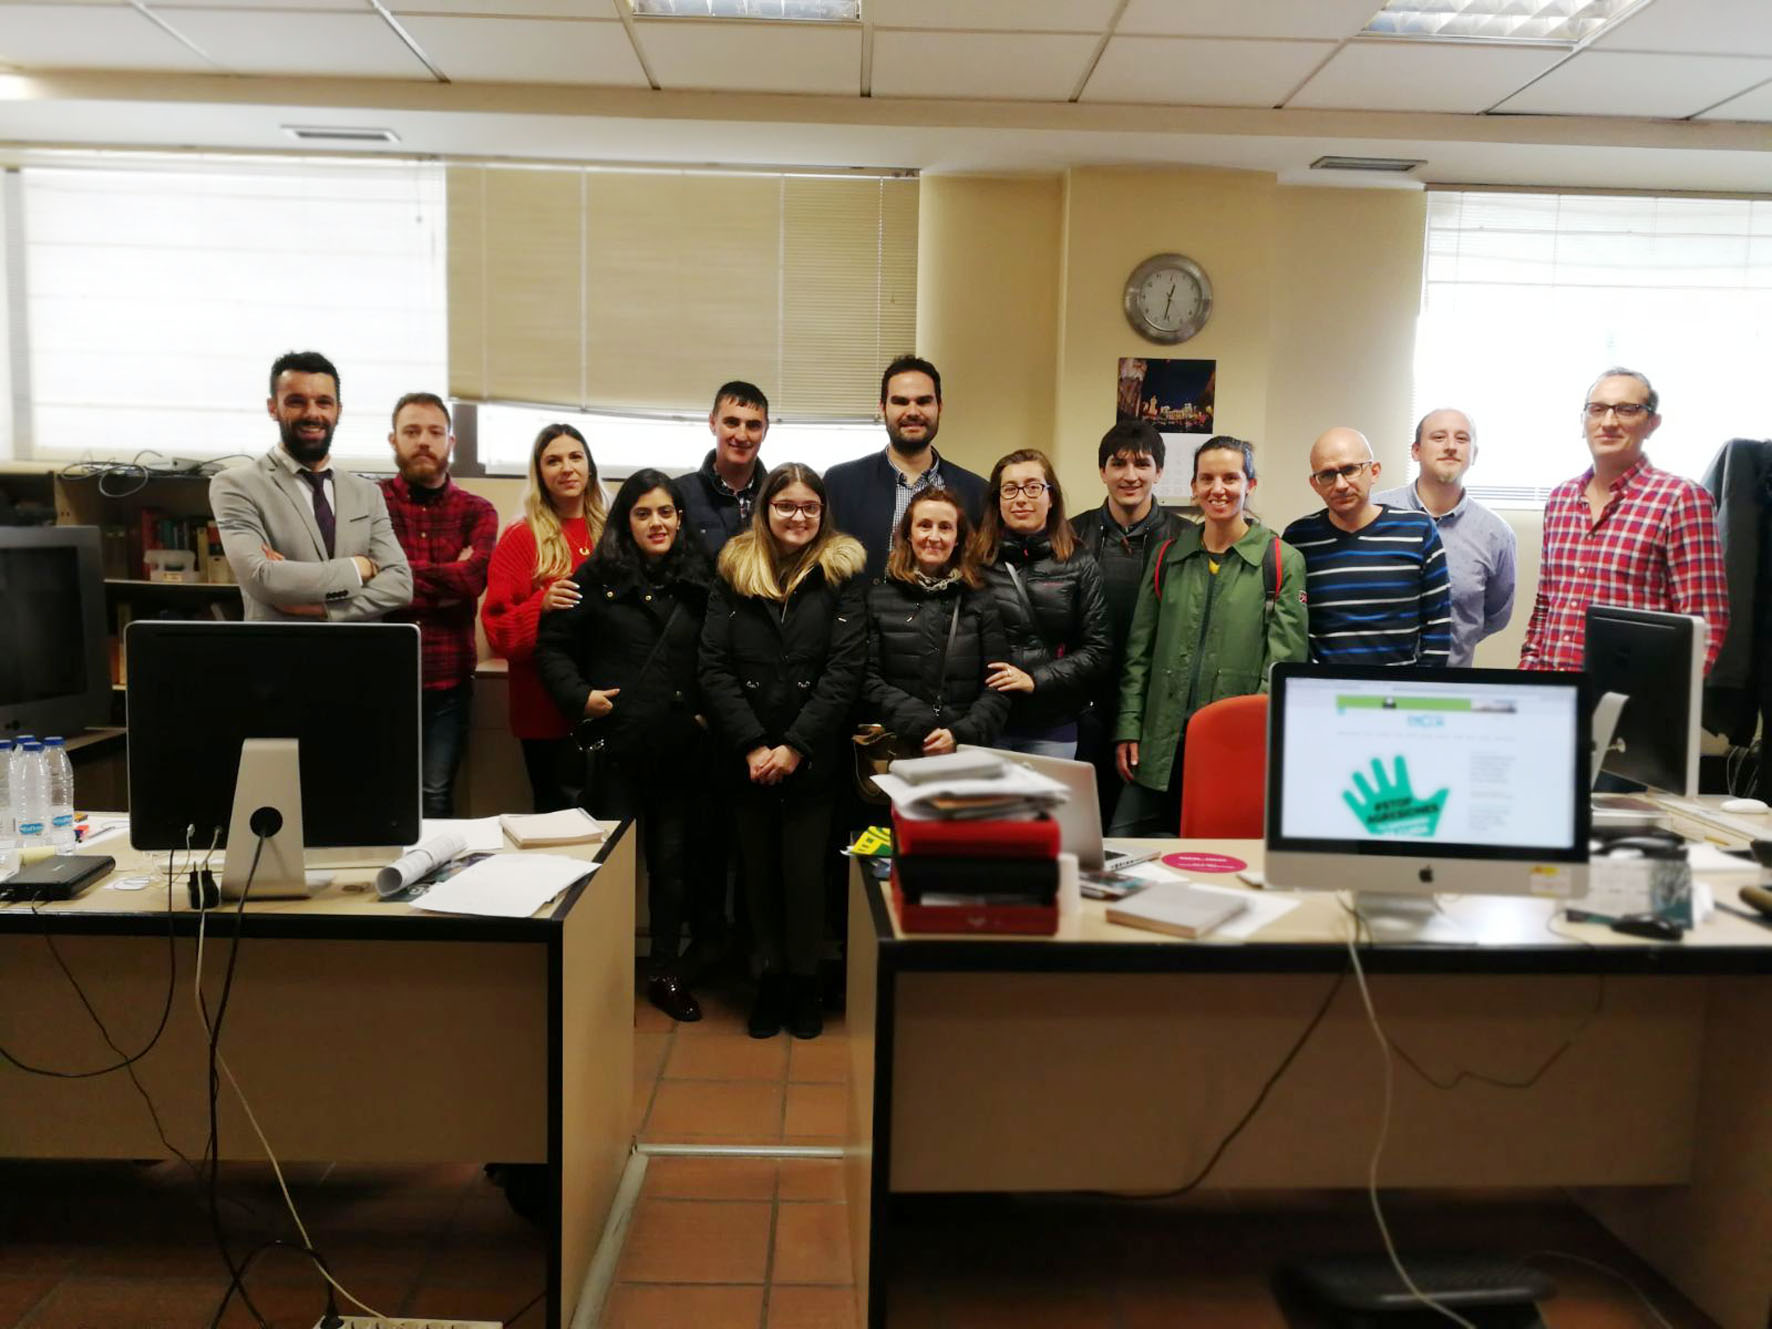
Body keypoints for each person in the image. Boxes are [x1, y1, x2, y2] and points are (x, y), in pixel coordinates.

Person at [533, 470, 716, 1024]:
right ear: (625, 521)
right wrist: (579, 696)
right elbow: (553, 649)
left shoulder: (703, 580)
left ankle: (665, 972)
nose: (656, 523)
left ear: (680, 518)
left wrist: (709, 709)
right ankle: (600, 974)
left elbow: (724, 652)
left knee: (672, 869)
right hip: (615, 751)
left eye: (665, 512)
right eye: (643, 514)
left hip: (682, 751)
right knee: (604, 869)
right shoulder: (593, 578)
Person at [700, 463, 867, 1040]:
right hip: (745, 757)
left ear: (823, 515)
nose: (798, 517)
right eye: (786, 506)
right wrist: (752, 745)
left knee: (805, 878)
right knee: (756, 878)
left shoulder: (842, 573)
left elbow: (845, 672)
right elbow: (713, 667)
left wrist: (793, 747)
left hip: (811, 758)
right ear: (765, 510)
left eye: (809, 508)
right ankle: (768, 981)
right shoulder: (733, 570)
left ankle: (803, 982)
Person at [1112, 437, 1308, 835]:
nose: (1218, 489)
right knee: (1124, 844)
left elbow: (1281, 666)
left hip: (1233, 745)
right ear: (1194, 487)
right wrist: (1130, 727)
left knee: (1212, 856)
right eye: (1207, 479)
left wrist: (1256, 740)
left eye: (1230, 478)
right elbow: (1139, 654)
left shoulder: (1281, 561)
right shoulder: (1169, 556)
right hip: (1160, 743)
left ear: (1249, 485)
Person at [1521, 368, 1729, 673]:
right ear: (1583, 421)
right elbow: (1545, 606)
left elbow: (1704, 624)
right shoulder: (1560, 499)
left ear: (1651, 423)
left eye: (1626, 410)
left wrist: (1663, 702)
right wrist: (1528, 676)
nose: (1609, 422)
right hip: (1554, 697)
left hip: (1633, 702)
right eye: (1598, 409)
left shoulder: (1680, 498)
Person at [210, 349, 411, 621]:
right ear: (273, 408)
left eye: (324, 402)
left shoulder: (367, 493)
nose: (312, 413)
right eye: (296, 402)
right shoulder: (236, 485)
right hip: (277, 657)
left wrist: (324, 609)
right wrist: (358, 568)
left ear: (338, 410)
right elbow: (262, 578)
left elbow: (400, 585)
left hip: (357, 658)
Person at [378, 392, 498, 818]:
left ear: (452, 442)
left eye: (433, 432)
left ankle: (433, 884)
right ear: (393, 440)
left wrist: (393, 574)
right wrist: (447, 574)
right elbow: (362, 587)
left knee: (435, 797)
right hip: (379, 679)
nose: (423, 442)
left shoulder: (477, 510)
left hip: (447, 684)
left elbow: (472, 581)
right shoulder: (369, 503)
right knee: (380, 795)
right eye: (412, 432)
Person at [482, 423, 608, 813]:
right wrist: (542, 603)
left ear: (590, 467)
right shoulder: (520, 537)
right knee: (556, 824)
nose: (566, 468)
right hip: (544, 712)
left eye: (575, 457)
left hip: (608, 703)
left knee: (611, 823)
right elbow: (500, 631)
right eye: (553, 460)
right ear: (540, 473)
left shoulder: (614, 533)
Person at [1070, 420, 1189, 813]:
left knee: (1146, 821)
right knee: (1086, 816)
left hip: (1156, 705)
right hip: (1084, 703)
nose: (1130, 475)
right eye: (1118, 464)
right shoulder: (1071, 535)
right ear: (1102, 471)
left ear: (1159, 471)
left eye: (1142, 464)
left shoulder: (1186, 540)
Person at [972, 449, 1110, 759]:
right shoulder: (974, 562)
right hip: (987, 724)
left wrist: (1035, 679)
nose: (1021, 498)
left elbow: (1098, 650)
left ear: (1051, 497)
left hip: (1053, 726)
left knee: (1045, 809)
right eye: (1010, 489)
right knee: (987, 809)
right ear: (997, 501)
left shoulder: (1079, 562)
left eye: (1033, 487)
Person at [1282, 427, 1451, 667]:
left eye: (1350, 469)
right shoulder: (1298, 538)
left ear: (1374, 472)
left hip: (1397, 695)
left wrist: (1420, 691)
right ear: (1315, 484)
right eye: (1327, 475)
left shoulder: (1418, 530)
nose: (1340, 484)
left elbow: (1438, 627)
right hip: (1321, 694)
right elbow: (1290, 625)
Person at [862, 488, 1010, 757]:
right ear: (908, 534)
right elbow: (866, 679)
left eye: (945, 527)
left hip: (963, 751)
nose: (934, 537)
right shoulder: (877, 598)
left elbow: (998, 684)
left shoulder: (980, 599)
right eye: (924, 526)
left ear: (957, 538)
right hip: (899, 747)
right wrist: (925, 724)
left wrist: (959, 733)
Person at [1373, 408, 1516, 667]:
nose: (1451, 446)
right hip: (1373, 682)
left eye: (1462, 439)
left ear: (1474, 453)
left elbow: (1495, 616)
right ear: (1415, 450)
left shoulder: (1497, 534)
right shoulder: (1373, 513)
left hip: (1448, 688)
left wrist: (1455, 642)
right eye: (1439, 437)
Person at [825, 355, 988, 581]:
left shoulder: (977, 492)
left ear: (939, 407)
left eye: (923, 401)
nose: (912, 411)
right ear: (883, 407)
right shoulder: (840, 484)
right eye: (900, 401)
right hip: (860, 614)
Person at [680, 380, 771, 557]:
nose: (742, 435)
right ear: (713, 423)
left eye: (753, 425)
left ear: (765, 431)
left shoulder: (779, 498)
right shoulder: (679, 494)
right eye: (732, 422)